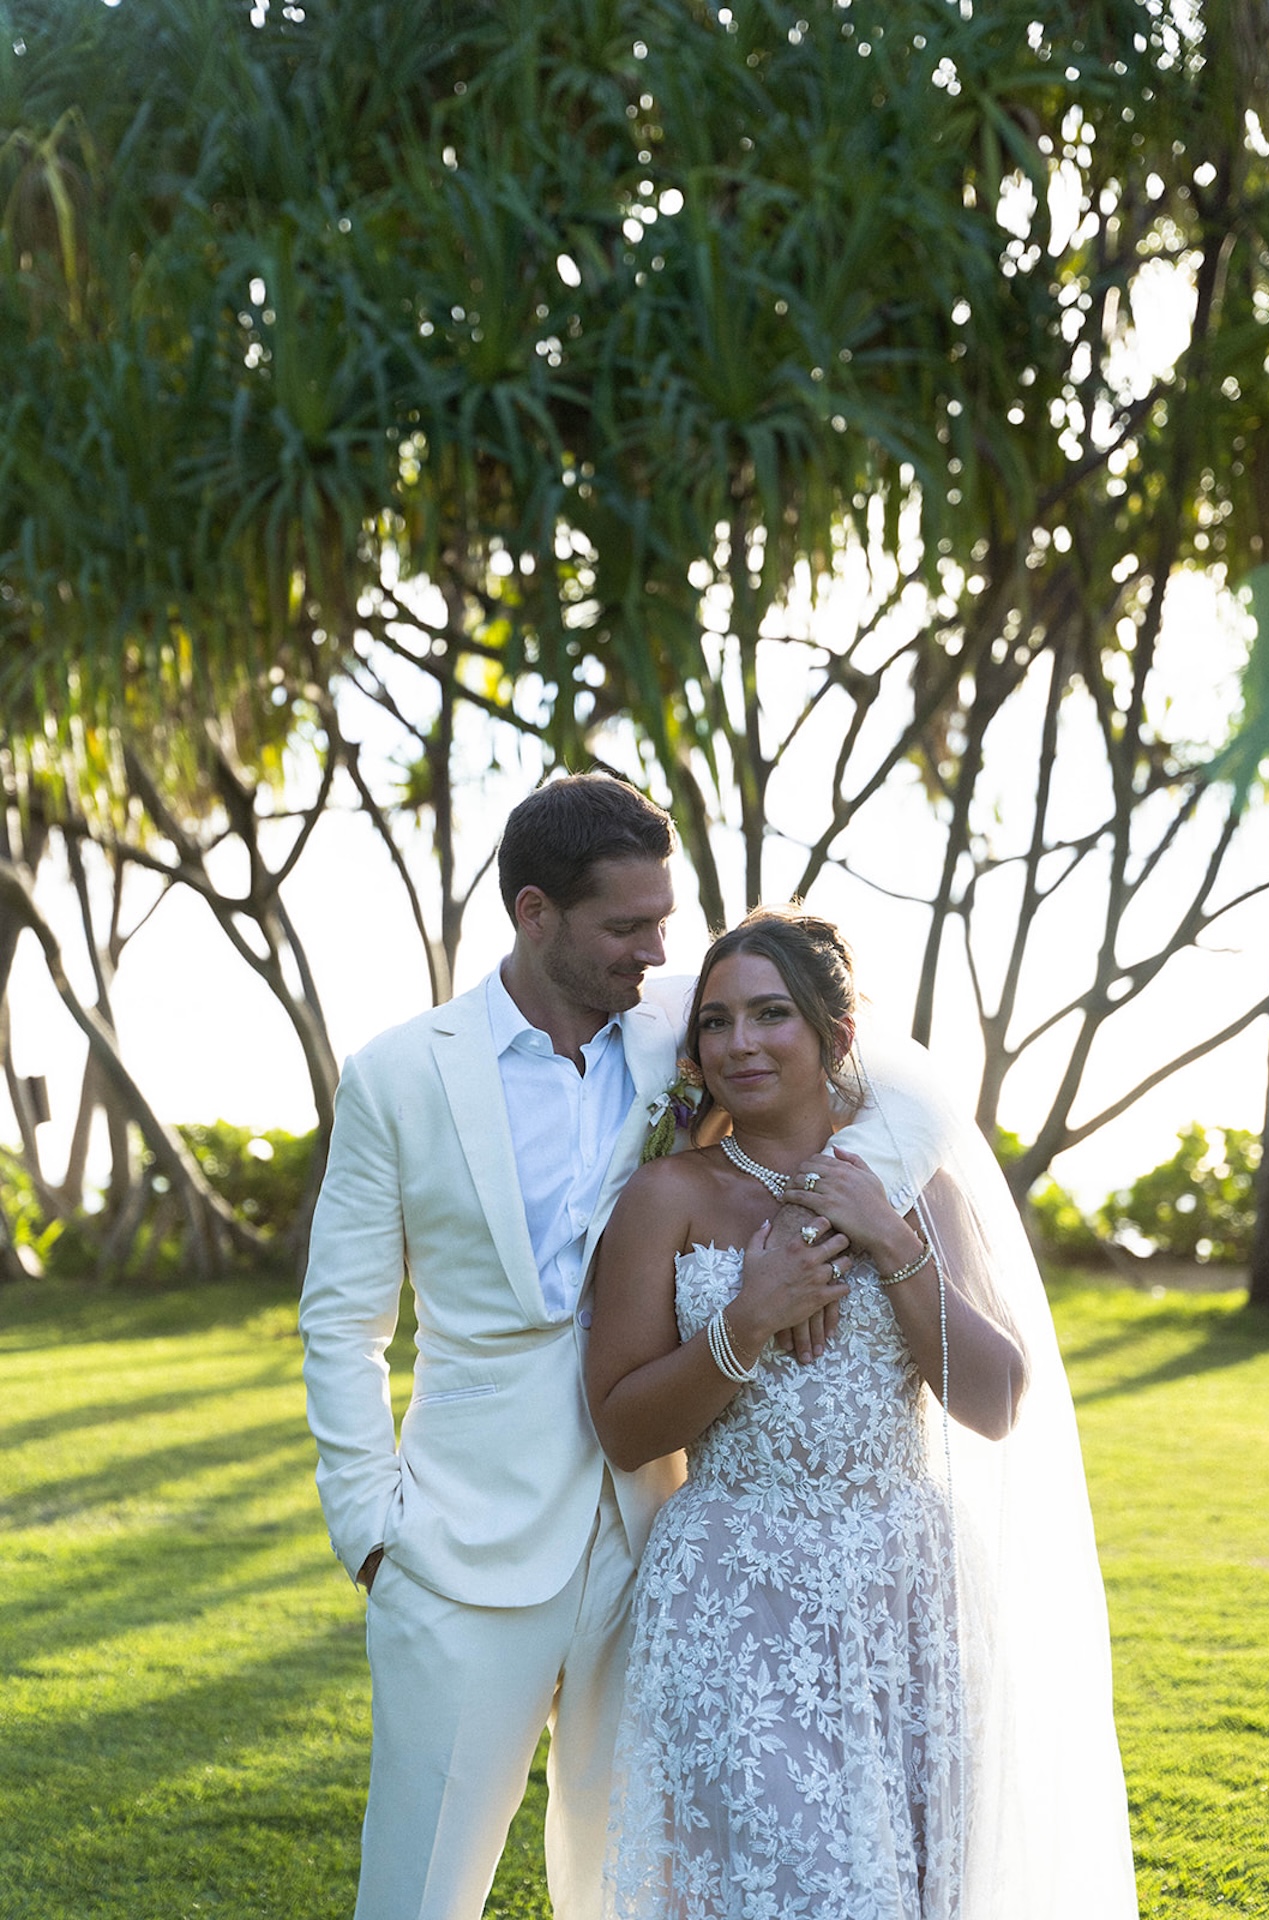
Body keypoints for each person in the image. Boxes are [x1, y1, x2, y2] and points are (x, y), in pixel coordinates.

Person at [298, 776, 831, 1920]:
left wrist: (822, 1216)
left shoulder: (678, 1026)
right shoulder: (399, 1074)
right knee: (419, 1892)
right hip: (454, 1545)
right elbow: (343, 1320)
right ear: (535, 913)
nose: (655, 949)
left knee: (629, 1883)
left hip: (656, 1535)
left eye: (662, 920)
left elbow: (875, 1082)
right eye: (625, 927)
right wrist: (369, 1532)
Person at [587, 907, 1138, 1920]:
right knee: (783, 1887)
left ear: (835, 1035)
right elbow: (623, 1426)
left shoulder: (916, 1190)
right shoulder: (665, 1197)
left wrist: (887, 1239)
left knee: (903, 1889)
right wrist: (745, 1323)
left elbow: (993, 1402)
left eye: (770, 1014)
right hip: (735, 1588)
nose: (738, 1043)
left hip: (902, 1590)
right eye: (714, 1022)